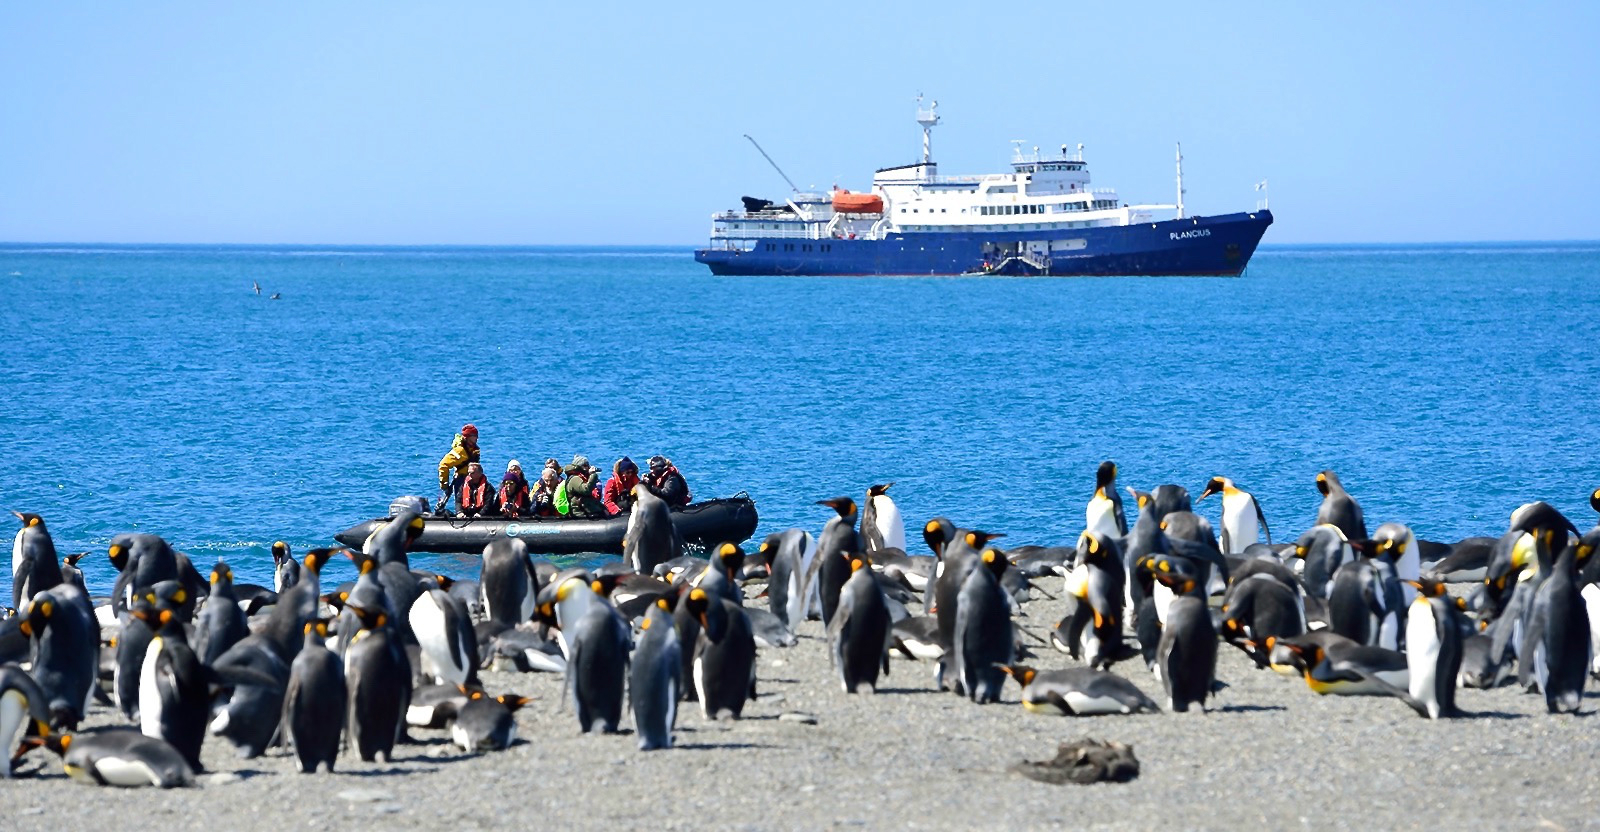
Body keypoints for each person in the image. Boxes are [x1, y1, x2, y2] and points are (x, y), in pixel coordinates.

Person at [436, 424, 480, 512]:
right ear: (467, 437)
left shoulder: (474, 449)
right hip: (461, 480)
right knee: (462, 504)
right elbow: (443, 465)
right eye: (474, 436)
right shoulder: (459, 451)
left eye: (476, 435)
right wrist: (444, 484)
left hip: (473, 479)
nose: (476, 438)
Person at [562, 455, 604, 519]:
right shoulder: (574, 479)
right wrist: (593, 475)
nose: (588, 468)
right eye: (585, 466)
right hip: (580, 512)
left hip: (589, 509)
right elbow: (586, 490)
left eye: (588, 465)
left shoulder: (584, 477)